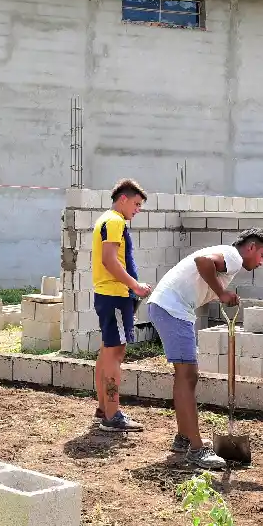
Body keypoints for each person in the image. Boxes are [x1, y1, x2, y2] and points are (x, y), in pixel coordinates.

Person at [146, 229, 263, 468]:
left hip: (167, 306)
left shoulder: (227, 257)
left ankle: (184, 437)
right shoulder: (233, 256)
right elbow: (202, 262)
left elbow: (202, 275)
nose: (261, 262)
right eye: (262, 255)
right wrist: (222, 291)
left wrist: (220, 294)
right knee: (188, 376)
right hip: (173, 309)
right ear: (251, 247)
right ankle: (196, 449)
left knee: (185, 376)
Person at [92, 179, 152, 432]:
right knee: (116, 354)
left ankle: (103, 408)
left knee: (107, 351)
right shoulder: (115, 221)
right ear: (123, 199)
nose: (137, 209)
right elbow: (109, 260)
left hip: (108, 295)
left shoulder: (106, 219)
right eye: (136, 204)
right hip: (116, 297)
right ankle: (113, 415)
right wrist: (134, 285)